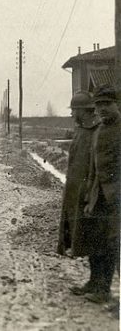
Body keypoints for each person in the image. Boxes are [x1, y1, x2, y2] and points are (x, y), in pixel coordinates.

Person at [81, 86, 121, 305]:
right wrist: (90, 196)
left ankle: (104, 289)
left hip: (116, 198)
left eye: (107, 104)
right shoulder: (98, 131)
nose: (102, 109)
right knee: (94, 240)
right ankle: (94, 282)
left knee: (111, 243)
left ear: (117, 105)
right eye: (98, 105)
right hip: (99, 195)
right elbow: (93, 168)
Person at [58, 92, 99, 280]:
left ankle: (86, 258)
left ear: (84, 110)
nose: (72, 114)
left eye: (74, 110)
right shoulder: (81, 129)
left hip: (86, 184)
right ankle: (73, 247)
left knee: (85, 222)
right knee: (72, 216)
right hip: (74, 182)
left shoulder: (95, 131)